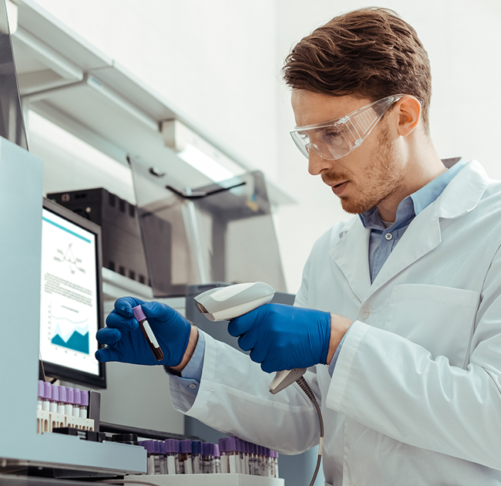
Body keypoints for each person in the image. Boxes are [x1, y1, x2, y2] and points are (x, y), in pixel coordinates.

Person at [96, 8, 501, 485]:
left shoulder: (491, 230)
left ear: (404, 117)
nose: (315, 166)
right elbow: (302, 415)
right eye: (308, 139)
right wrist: (190, 353)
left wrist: (339, 341)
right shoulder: (332, 250)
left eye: (334, 134)